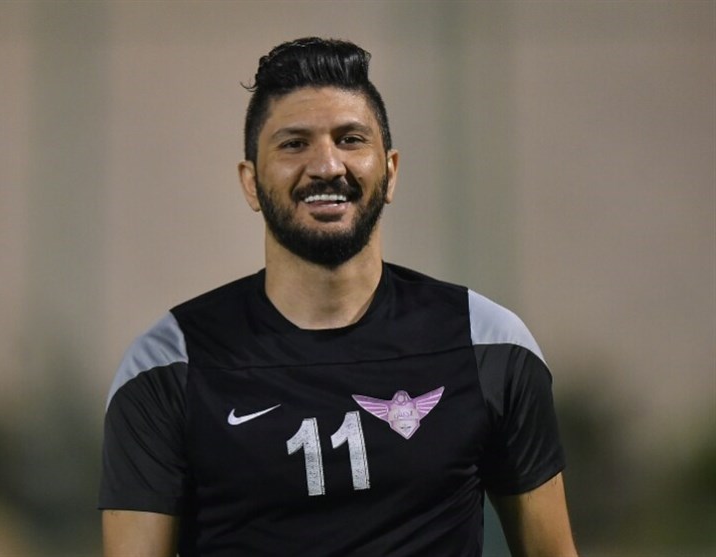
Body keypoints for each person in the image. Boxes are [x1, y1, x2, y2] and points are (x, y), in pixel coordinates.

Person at [99, 37, 577, 557]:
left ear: (390, 171)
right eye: (293, 144)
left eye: (350, 139)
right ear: (251, 183)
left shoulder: (487, 343)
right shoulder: (169, 364)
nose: (327, 165)